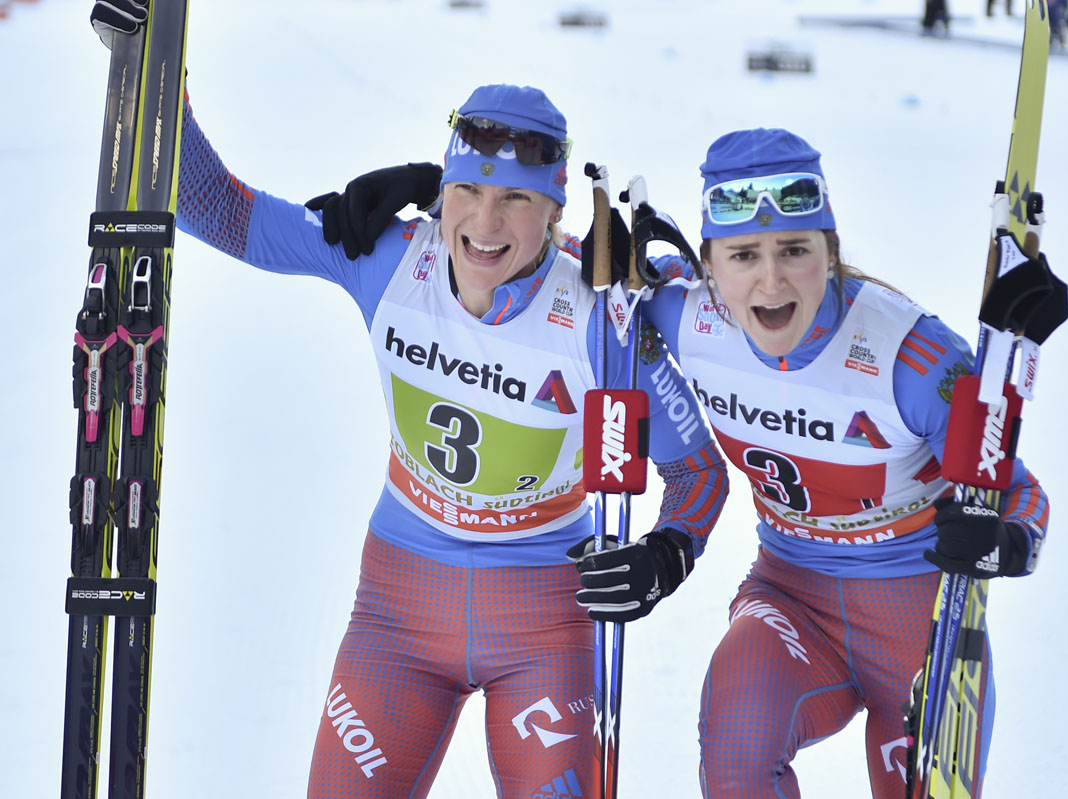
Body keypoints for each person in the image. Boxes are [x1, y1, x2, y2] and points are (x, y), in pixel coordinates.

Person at [89, 4, 729, 798]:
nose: (485, 224)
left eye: (518, 202)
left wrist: (666, 554)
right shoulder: (389, 257)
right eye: (468, 191)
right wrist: (152, 65)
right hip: (397, 610)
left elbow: (699, 471)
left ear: (556, 211)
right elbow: (215, 207)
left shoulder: (603, 317)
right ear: (443, 189)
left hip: (543, 619)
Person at [310, 127, 1053, 798]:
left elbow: (1017, 493)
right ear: (709, 268)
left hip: (923, 618)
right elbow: (587, 268)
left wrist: (1007, 540)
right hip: (793, 603)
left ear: (830, 252)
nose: (770, 281)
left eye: (796, 251)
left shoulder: (906, 356)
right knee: (736, 735)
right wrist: (432, 193)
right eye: (743, 257)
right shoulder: (680, 315)